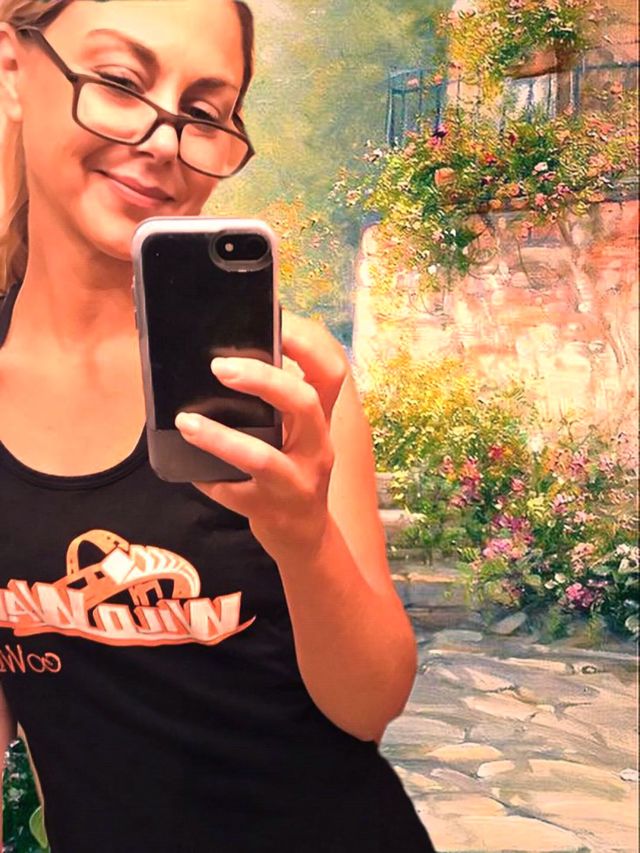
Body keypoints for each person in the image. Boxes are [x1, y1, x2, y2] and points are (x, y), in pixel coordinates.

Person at [0, 1, 437, 851]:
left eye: (204, 112)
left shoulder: (283, 380)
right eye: (121, 82)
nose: (164, 140)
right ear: (15, 70)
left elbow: (370, 703)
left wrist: (302, 536)